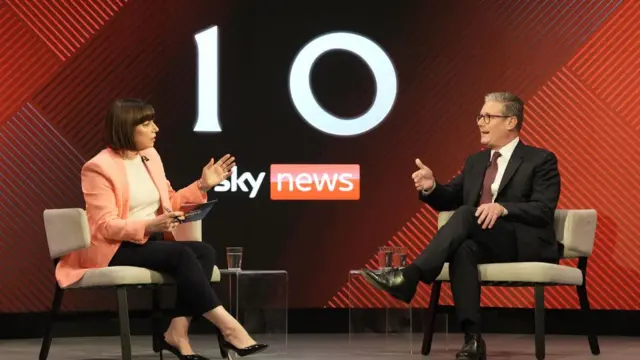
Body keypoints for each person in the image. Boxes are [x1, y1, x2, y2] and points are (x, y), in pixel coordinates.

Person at [55, 98, 267, 360]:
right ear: (126, 128)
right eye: (147, 124)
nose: (156, 128)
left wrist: (201, 186)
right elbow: (104, 225)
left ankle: (177, 332)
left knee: (204, 252)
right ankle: (229, 326)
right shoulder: (98, 167)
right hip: (112, 248)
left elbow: (169, 203)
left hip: (146, 241)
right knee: (182, 255)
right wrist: (148, 225)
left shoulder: (150, 157)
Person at [361, 92, 561, 360]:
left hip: (522, 241)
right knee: (463, 248)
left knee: (467, 214)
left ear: (511, 122)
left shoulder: (540, 159)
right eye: (480, 116)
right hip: (486, 240)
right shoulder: (476, 161)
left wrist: (503, 207)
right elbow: (450, 198)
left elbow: (545, 210)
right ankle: (473, 340)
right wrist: (432, 188)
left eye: (488, 116)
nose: (480, 122)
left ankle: (410, 276)